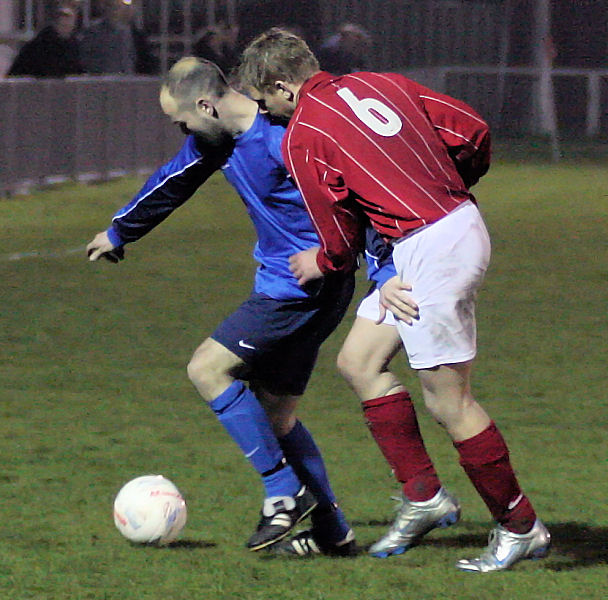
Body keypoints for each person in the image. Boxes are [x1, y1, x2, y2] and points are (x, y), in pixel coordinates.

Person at [237, 27, 551, 572]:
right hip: (439, 233)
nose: (266, 115)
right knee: (358, 361)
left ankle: (520, 527)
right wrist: (440, 190)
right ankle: (424, 496)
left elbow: (335, 230)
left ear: (284, 87)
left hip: (431, 246)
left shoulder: (303, 132)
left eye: (266, 101)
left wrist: (324, 262)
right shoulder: (381, 83)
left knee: (449, 401)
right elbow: (471, 131)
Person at [86, 57, 358, 555]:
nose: (182, 129)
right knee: (277, 416)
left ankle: (282, 494)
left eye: (182, 120)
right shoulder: (219, 139)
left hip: (298, 288)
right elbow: (175, 178)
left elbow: (355, 195)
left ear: (207, 104)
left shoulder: (284, 138)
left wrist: (365, 264)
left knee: (207, 369)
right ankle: (333, 532)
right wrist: (121, 230)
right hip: (304, 289)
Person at [79, 0, 158, 75]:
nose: (113, 11)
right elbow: (86, 59)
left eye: (117, 7)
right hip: (100, 82)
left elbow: (141, 61)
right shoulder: (93, 32)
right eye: (110, 6)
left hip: (127, 82)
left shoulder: (134, 34)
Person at [8, 5, 83, 78]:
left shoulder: (75, 46)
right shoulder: (39, 46)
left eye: (69, 22)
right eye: (63, 23)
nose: (66, 24)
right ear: (55, 23)